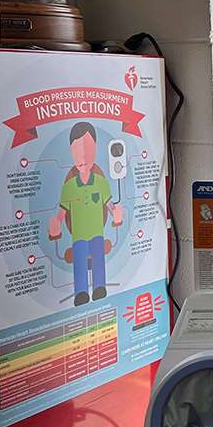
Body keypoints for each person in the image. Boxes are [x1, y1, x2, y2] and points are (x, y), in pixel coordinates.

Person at [49, 123, 124, 306]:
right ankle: (81, 292)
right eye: (78, 150)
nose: (83, 156)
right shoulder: (69, 187)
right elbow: (62, 212)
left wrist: (116, 215)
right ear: (71, 151)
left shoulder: (101, 182)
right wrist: (56, 226)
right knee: (80, 262)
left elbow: (109, 204)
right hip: (78, 236)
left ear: (95, 149)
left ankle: (99, 288)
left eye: (88, 149)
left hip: (97, 233)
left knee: (98, 260)